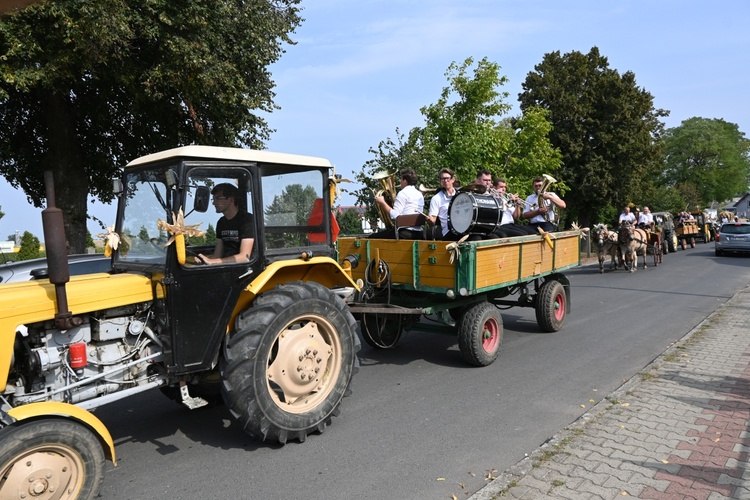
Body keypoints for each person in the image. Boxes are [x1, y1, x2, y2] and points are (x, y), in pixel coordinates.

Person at [198, 183, 255, 265]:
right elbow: (217, 255)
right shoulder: (221, 223)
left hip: (246, 268)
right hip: (228, 266)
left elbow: (244, 257)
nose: (214, 203)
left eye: (218, 198)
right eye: (213, 199)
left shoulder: (247, 221)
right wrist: (203, 260)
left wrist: (212, 261)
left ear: (231, 200)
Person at [370, 168, 425, 239]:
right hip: (418, 232)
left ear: (405, 181)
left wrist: (382, 202)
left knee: (371, 237)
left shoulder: (402, 193)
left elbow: (395, 215)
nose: (400, 182)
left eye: (401, 180)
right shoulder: (419, 194)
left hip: (403, 232)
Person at [427, 167, 457, 240]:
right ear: (439, 180)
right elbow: (433, 221)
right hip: (448, 233)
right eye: (443, 179)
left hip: (461, 229)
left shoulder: (460, 195)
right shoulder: (436, 198)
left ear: (453, 180)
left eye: (448, 178)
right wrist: (430, 220)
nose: (445, 181)